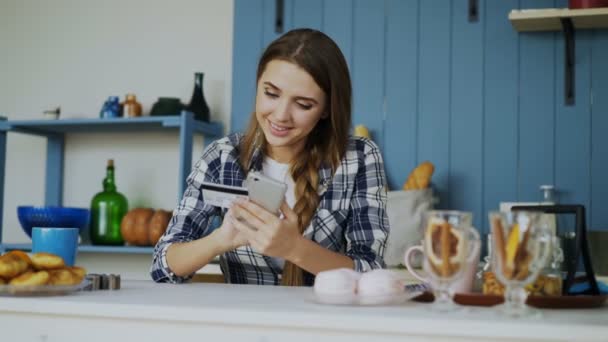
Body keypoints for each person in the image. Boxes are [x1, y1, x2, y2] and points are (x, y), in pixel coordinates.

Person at [151, 28, 389, 286]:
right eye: (271, 94)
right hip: (245, 322)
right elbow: (162, 267)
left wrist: (295, 249)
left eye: (303, 104)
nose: (281, 115)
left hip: (325, 322)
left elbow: (371, 273)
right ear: (258, 86)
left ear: (326, 109)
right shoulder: (222, 156)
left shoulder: (359, 157)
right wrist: (221, 240)